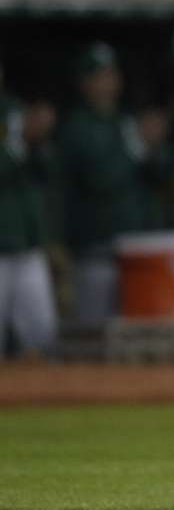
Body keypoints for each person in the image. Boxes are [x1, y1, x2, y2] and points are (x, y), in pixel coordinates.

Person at [58, 43, 174, 331]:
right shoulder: (76, 127)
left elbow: (161, 176)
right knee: (94, 334)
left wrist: (154, 147)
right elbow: (101, 179)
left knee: (137, 332)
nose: (106, 84)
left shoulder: (126, 122)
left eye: (111, 75)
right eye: (98, 77)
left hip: (134, 253)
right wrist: (138, 150)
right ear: (84, 83)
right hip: (95, 249)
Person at [0, 70, 58, 359]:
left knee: (42, 333)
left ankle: (44, 395)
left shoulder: (14, 109)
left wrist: (39, 138)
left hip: (27, 238)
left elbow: (47, 172)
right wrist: (20, 142)